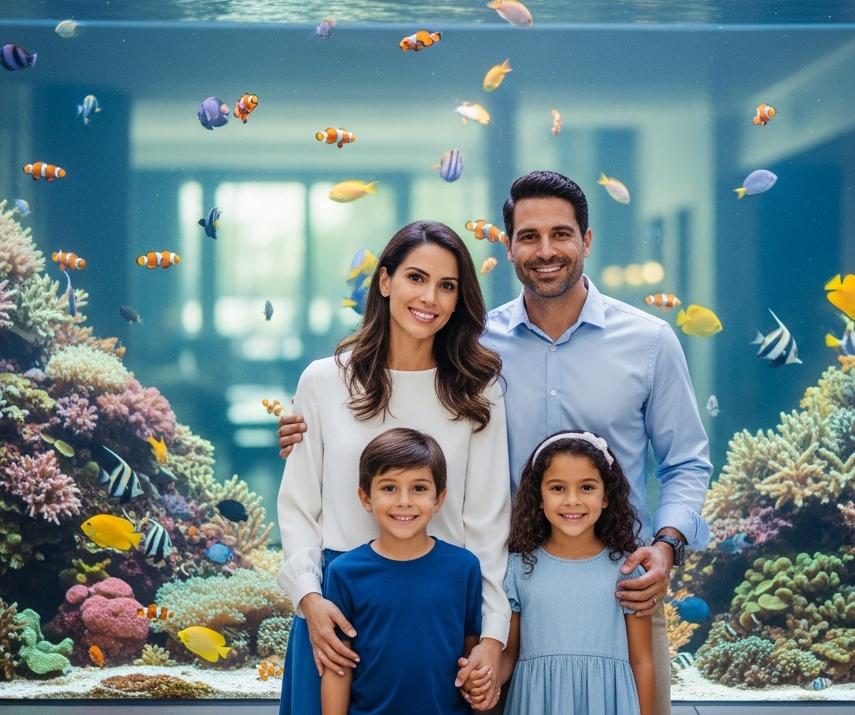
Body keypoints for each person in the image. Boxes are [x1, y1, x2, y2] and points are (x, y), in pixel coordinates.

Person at [282, 171, 712, 714]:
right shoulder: (475, 348)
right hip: (506, 594)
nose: (546, 249)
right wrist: (305, 429)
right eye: (529, 236)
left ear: (587, 238)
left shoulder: (647, 342)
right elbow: (358, 411)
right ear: (507, 246)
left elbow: (688, 461)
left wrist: (668, 546)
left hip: (613, 591)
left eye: (562, 233)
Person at [278, 220, 510, 715]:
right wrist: (309, 601)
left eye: (447, 286)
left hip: (441, 615)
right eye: (416, 278)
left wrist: (492, 636)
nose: (430, 297)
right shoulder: (323, 380)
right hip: (335, 612)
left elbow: (488, 523)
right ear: (384, 282)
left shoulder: (478, 388)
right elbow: (298, 507)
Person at [322, 428, 484, 715]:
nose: (404, 501)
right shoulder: (344, 572)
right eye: (389, 488)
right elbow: (338, 666)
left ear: (439, 498)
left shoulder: (464, 567)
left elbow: (471, 656)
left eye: (419, 488)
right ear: (365, 498)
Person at [499, 430, 654, 715]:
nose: (572, 500)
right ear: (539, 497)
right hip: (538, 704)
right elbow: (508, 656)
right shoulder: (517, 569)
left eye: (587, 487)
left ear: (606, 495)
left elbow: (642, 661)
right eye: (558, 488)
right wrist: (483, 679)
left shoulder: (628, 570)